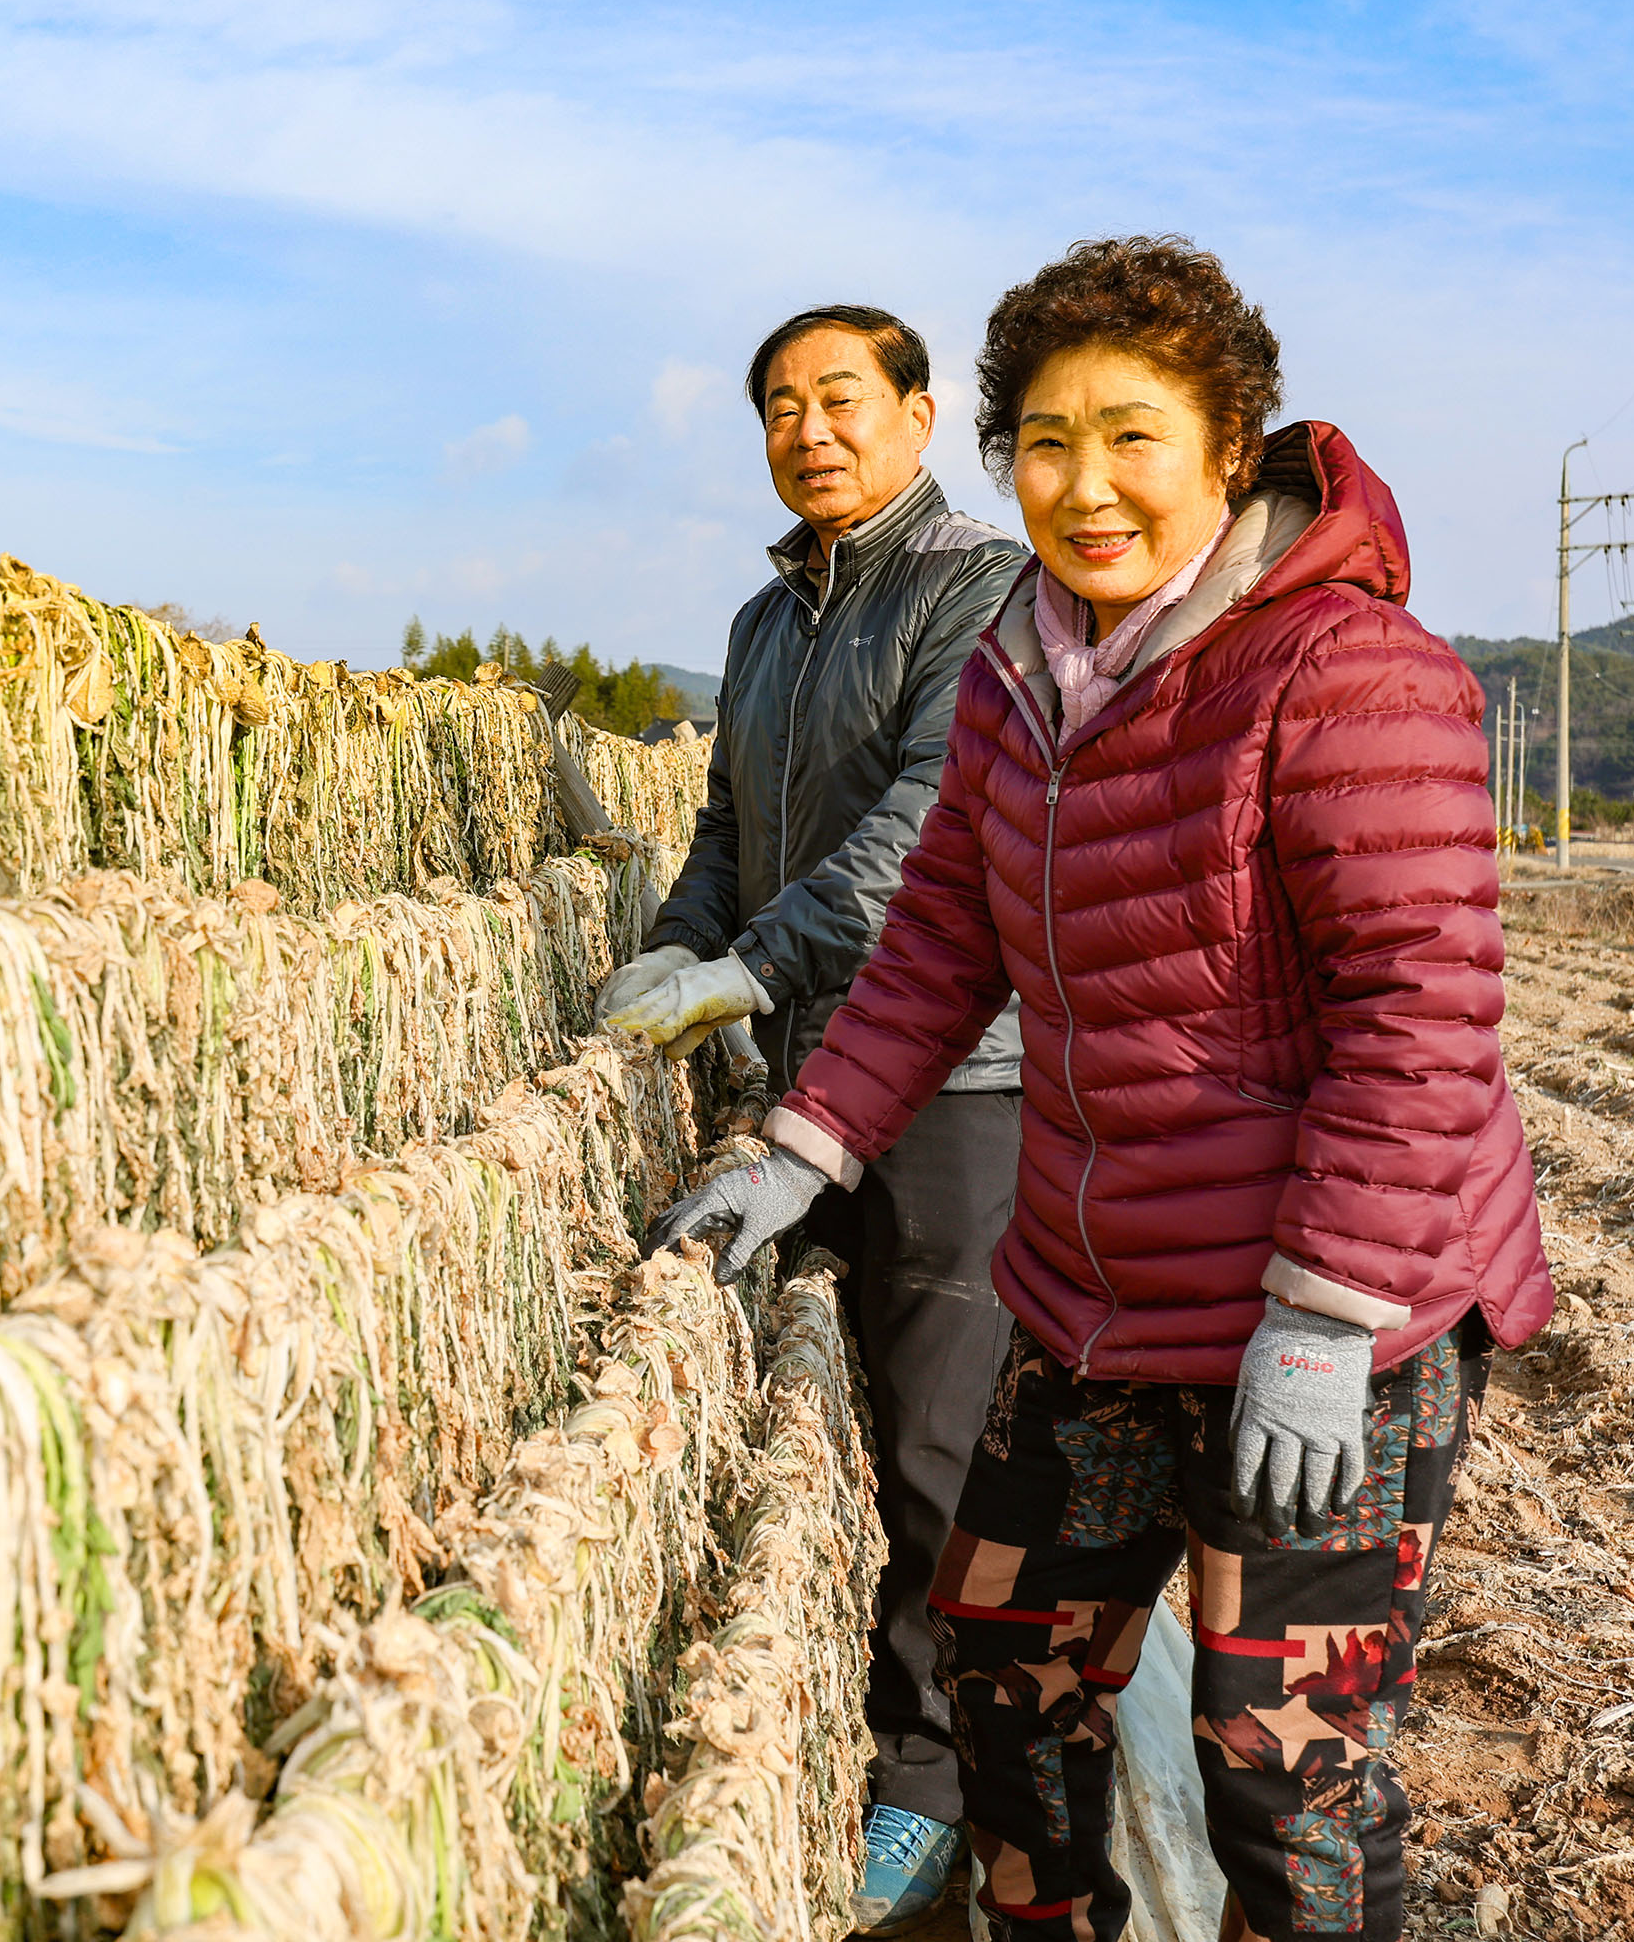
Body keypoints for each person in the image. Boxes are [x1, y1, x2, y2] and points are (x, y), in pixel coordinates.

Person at [652, 237, 1552, 1942]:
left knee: (1278, 1761)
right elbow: (935, 948)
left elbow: (1422, 1019)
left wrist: (1324, 1313)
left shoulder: (1345, 672)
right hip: (1106, 1286)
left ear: (1231, 444)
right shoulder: (1018, 672)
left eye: (1133, 435)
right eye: (1047, 442)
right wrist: (805, 1142)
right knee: (1002, 1664)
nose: (1086, 485)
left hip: (1336, 1309)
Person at [595, 303, 1029, 1931]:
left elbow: (932, 824)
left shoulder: (975, 587)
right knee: (831, 1408)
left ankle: (930, 1789)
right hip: (812, 1084)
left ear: (918, 418)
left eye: (842, 398)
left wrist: (755, 968)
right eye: (780, 406)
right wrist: (675, 952)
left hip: (956, 1081)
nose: (809, 430)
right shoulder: (768, 619)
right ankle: (855, 1723)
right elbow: (724, 823)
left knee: (936, 1446)